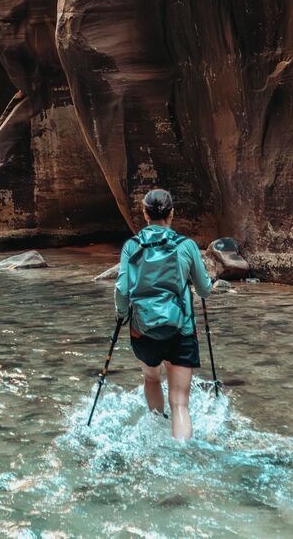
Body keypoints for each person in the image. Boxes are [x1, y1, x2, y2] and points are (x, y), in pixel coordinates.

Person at [114, 188, 213, 441]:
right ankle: (182, 453)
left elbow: (121, 289)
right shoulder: (187, 246)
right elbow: (204, 290)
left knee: (152, 379)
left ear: (144, 214)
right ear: (172, 213)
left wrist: (121, 314)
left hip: (143, 330)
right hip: (181, 331)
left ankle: (157, 429)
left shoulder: (131, 247)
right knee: (180, 403)